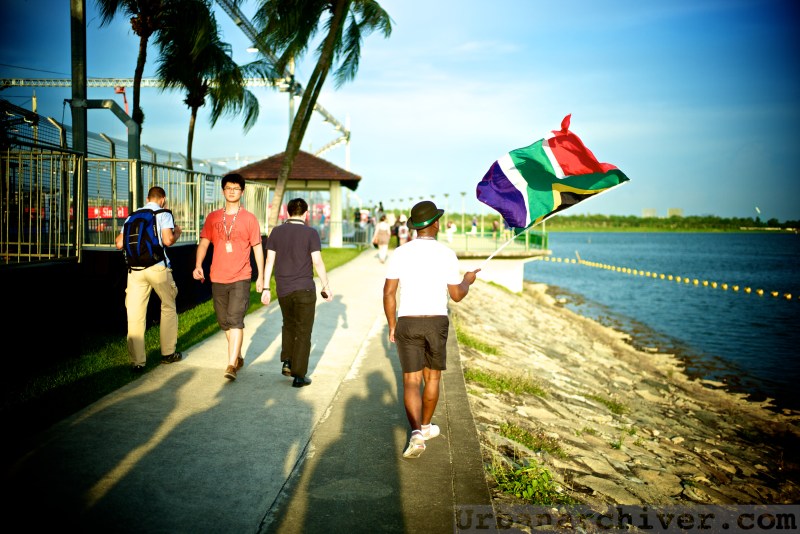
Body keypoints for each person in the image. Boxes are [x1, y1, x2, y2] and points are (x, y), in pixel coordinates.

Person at [382, 200, 480, 458]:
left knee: (411, 381)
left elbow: (389, 293)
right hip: (436, 321)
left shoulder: (401, 252)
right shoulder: (447, 254)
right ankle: (425, 427)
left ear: (415, 227)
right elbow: (457, 295)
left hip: (409, 320)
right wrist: (468, 281)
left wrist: (392, 325)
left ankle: (416, 433)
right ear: (435, 224)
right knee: (432, 379)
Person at [192, 173, 265, 381]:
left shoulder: (249, 219)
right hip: (217, 276)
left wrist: (260, 277)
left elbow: (257, 248)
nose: (232, 191)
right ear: (223, 191)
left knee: (235, 320)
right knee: (224, 321)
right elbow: (204, 243)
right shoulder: (213, 217)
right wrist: (198, 265)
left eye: (236, 188)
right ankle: (238, 355)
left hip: (241, 276)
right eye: (228, 188)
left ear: (242, 192)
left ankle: (231, 365)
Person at [261, 198, 333, 388]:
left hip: (283, 289)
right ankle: (299, 375)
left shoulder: (276, 232)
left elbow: (269, 261)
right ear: (305, 214)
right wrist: (326, 285)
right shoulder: (311, 233)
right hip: (304, 289)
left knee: (289, 325)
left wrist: (266, 287)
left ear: (287, 212)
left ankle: (287, 361)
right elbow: (317, 262)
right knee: (303, 331)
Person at [115, 186, 182, 371]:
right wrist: (177, 233)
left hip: (135, 270)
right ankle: (168, 353)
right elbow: (168, 240)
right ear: (163, 199)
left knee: (135, 315)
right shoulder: (163, 213)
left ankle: (137, 362)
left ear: (147, 198)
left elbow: (119, 243)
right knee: (168, 306)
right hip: (157, 267)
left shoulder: (132, 216)